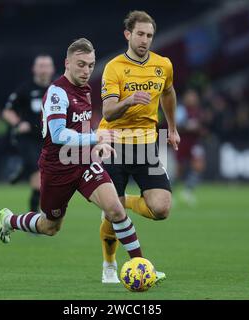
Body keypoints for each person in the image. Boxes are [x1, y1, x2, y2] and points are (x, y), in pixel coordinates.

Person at [0, 38, 146, 266]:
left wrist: (96, 145)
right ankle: (10, 220)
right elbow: (58, 135)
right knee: (50, 227)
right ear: (67, 63)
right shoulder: (57, 93)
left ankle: (141, 266)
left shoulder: (85, 89)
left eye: (90, 65)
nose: (86, 71)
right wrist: (97, 137)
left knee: (116, 209)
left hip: (84, 163)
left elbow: (79, 128)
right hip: (57, 168)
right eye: (81, 64)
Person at [97, 11, 180, 283]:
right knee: (113, 212)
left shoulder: (163, 65)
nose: (145, 40)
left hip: (145, 146)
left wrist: (172, 128)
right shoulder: (114, 68)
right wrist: (129, 100)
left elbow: (168, 92)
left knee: (162, 209)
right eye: (140, 34)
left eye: (149, 35)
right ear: (128, 35)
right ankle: (109, 265)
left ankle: (124, 202)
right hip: (114, 144)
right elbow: (108, 112)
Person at [3, 54, 55, 212]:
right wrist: (19, 124)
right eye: (41, 65)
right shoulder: (25, 89)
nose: (44, 69)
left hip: (47, 139)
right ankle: (33, 214)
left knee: (46, 175)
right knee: (38, 171)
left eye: (47, 66)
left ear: (52, 69)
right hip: (27, 138)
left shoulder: (57, 89)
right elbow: (7, 111)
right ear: (34, 69)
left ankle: (23, 169)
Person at [176, 89, 206, 206]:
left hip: (195, 143)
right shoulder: (181, 110)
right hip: (182, 142)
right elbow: (177, 125)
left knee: (199, 166)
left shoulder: (198, 111)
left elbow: (201, 125)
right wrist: (188, 126)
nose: (192, 99)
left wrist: (200, 128)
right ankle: (169, 193)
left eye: (194, 96)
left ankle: (188, 191)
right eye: (190, 96)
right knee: (179, 170)